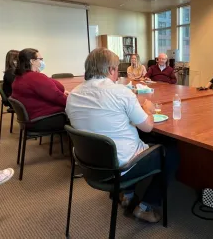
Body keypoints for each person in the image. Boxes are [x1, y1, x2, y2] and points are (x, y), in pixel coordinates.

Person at [66, 48, 166, 223]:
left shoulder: (73, 95)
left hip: (91, 166)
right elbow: (148, 127)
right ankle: (146, 207)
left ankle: (126, 194)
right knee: (169, 152)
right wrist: (148, 110)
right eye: (117, 68)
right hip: (121, 167)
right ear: (111, 69)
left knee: (134, 141)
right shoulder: (120, 92)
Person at [11, 48, 67, 120]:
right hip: (44, 118)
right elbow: (56, 96)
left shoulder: (21, 76)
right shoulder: (34, 77)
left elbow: (49, 91)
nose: (42, 62)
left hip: (33, 118)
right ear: (32, 61)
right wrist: (73, 102)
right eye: (40, 59)